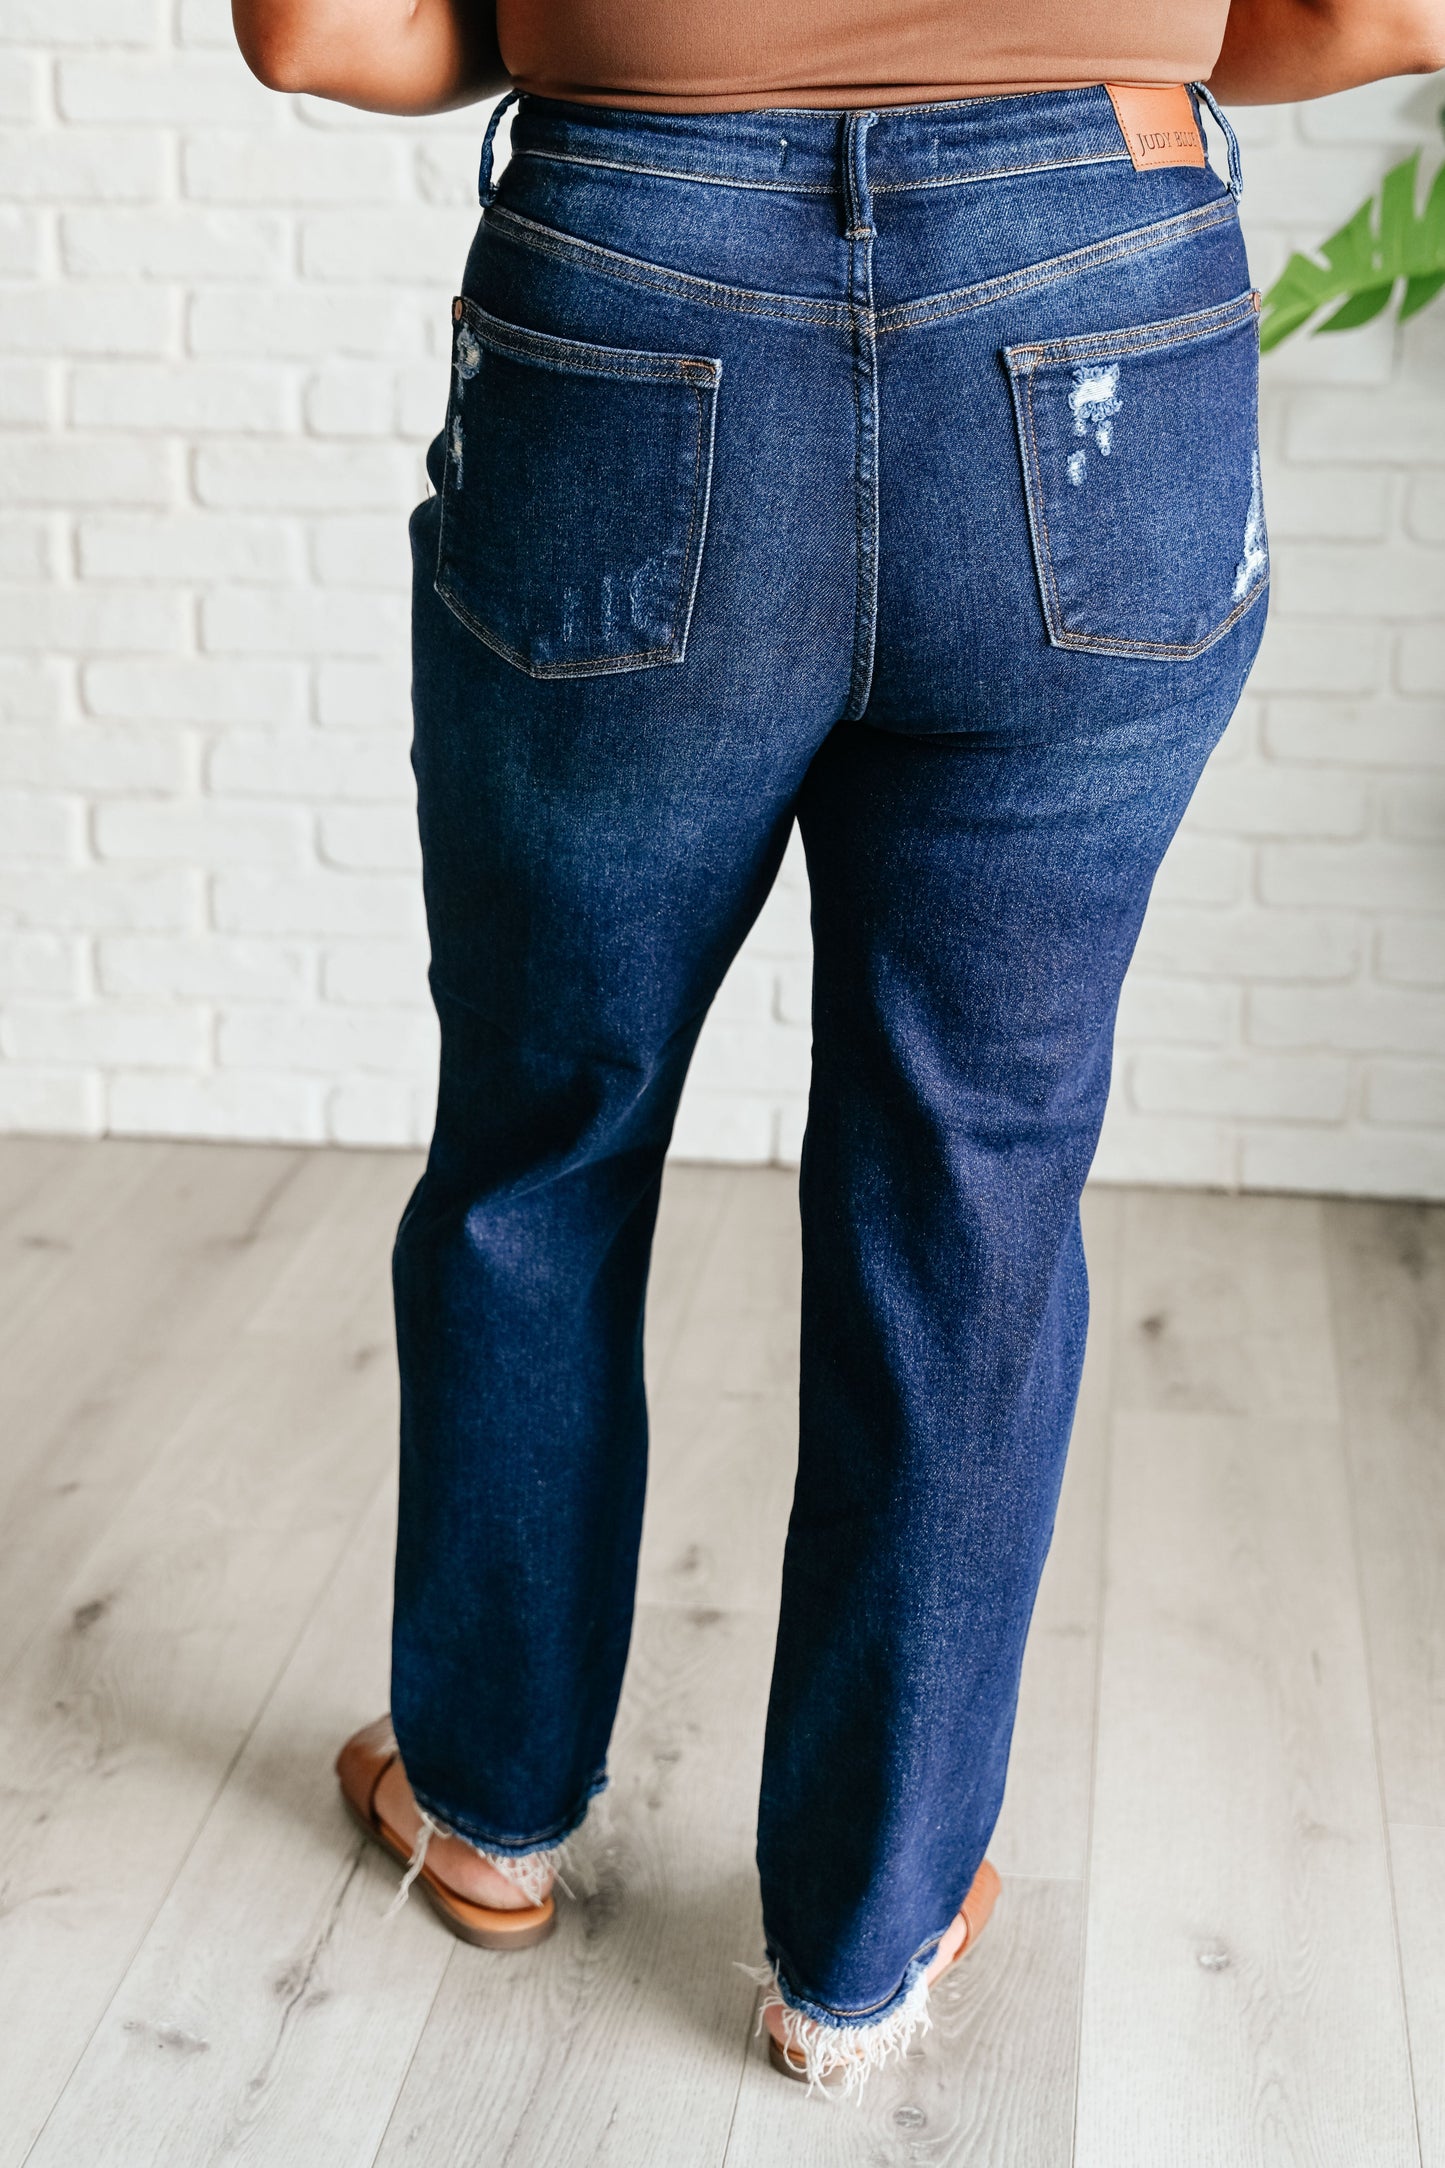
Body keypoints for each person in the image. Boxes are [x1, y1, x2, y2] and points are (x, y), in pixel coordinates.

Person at [237, 0, 1445, 2094]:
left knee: (548, 1123)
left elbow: (323, 32)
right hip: (1096, 293)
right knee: (976, 1175)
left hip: (635, 278)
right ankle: (863, 1939)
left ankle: (491, 1802)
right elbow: (1385, 9)